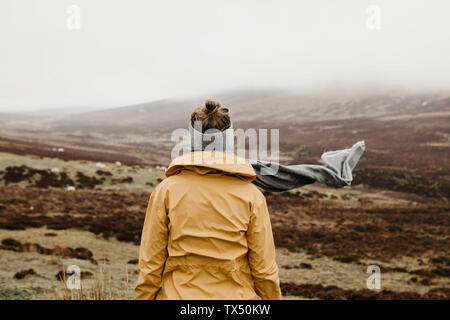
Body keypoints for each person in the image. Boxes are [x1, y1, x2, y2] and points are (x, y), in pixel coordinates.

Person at [135, 100, 281, 300]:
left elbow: (150, 264)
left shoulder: (166, 191)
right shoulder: (252, 196)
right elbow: (264, 270)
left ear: (192, 140)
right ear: (229, 141)